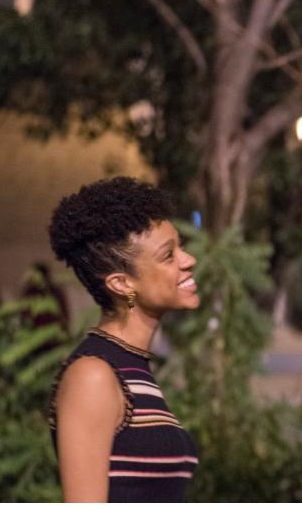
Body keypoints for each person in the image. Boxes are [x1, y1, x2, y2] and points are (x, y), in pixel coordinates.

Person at [45, 177, 200, 501]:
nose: (189, 260)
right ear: (123, 284)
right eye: (168, 256)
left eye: (180, 247)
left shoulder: (132, 368)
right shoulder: (93, 375)